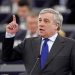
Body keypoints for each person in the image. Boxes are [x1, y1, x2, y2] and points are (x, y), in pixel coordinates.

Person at [2, 8, 75, 75]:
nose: (41, 24)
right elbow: (6, 57)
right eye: (40, 20)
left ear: (56, 25)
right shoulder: (28, 43)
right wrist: (10, 34)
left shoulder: (70, 45)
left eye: (46, 21)